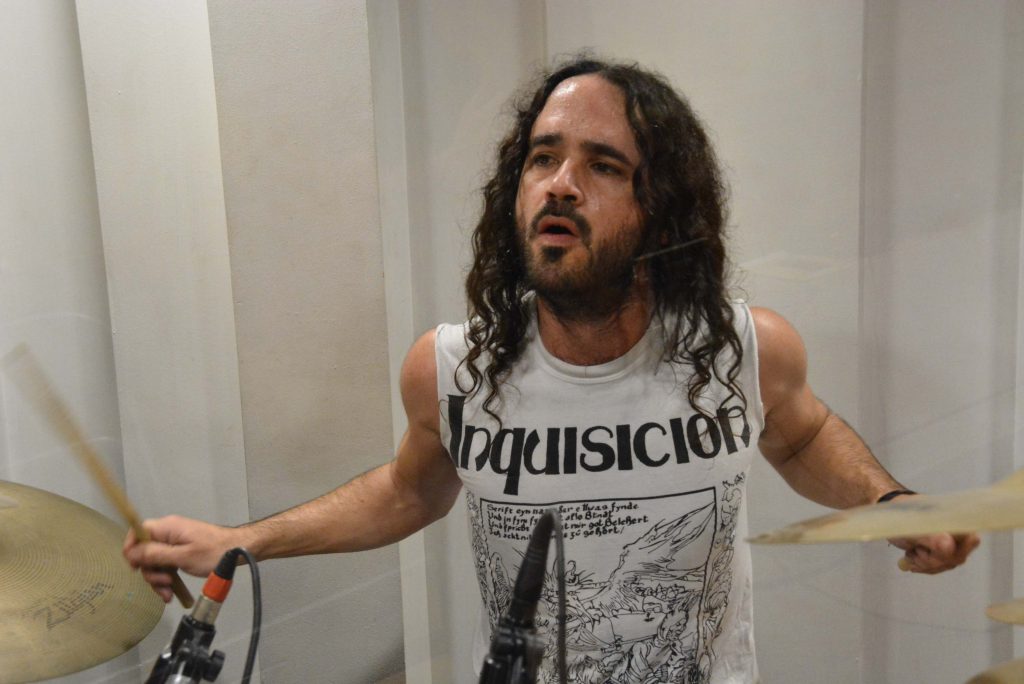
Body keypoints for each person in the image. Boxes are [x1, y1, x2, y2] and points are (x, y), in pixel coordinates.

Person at [124, 57, 979, 683]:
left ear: (660, 210)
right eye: (542, 158)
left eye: (602, 166)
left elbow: (802, 437)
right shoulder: (452, 369)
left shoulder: (740, 351)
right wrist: (244, 540)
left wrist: (889, 501)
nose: (560, 185)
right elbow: (410, 490)